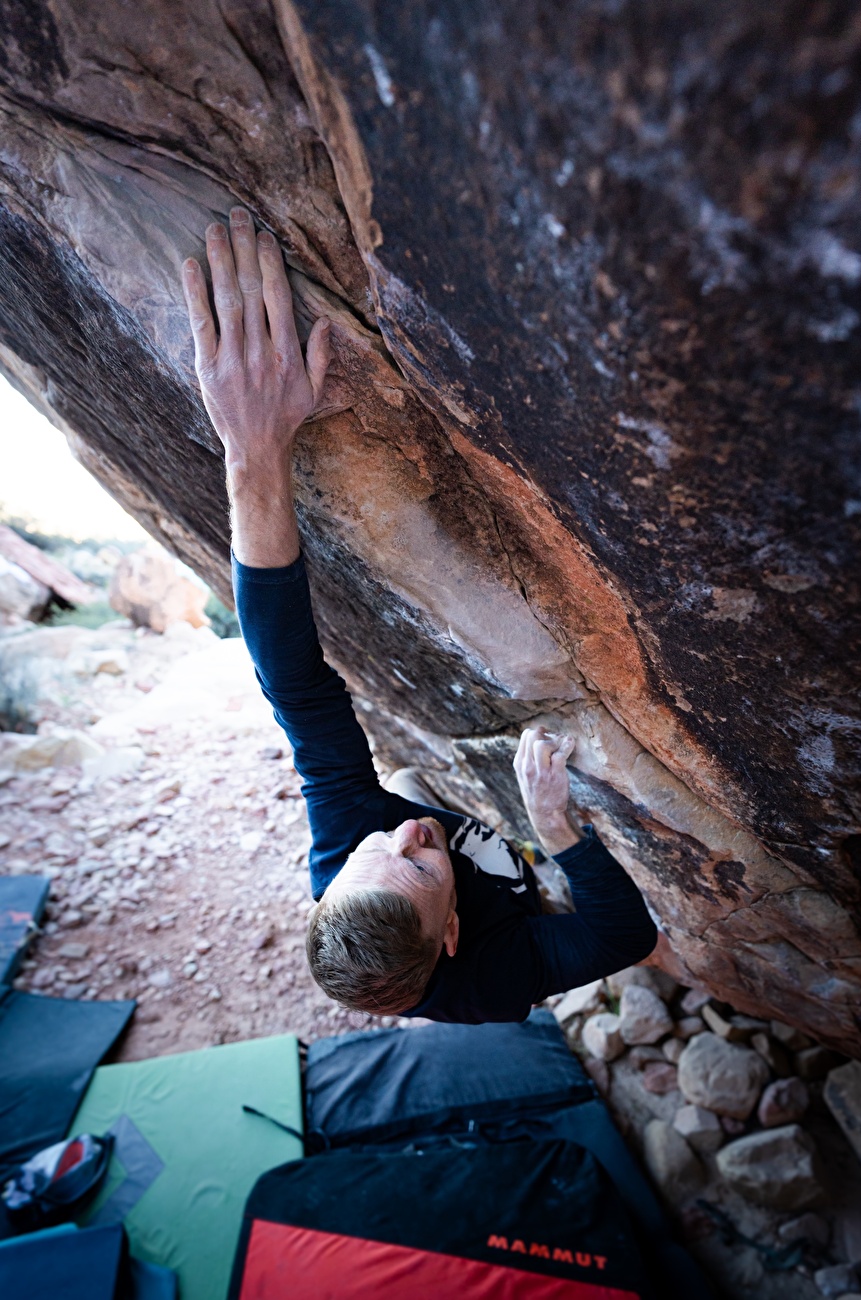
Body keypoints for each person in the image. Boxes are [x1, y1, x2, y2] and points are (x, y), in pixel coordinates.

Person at [181, 208, 658, 1023]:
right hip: (512, 905)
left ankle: (427, 822)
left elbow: (294, 684)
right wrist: (554, 827)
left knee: (395, 789)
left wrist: (253, 452)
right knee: (453, 833)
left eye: (378, 852)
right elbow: (623, 938)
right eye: (419, 865)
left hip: (421, 839)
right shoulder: (489, 978)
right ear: (451, 935)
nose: (403, 838)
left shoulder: (349, 846)